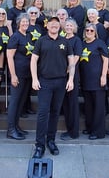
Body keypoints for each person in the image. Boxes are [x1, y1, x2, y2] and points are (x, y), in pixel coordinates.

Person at [30, 16, 75, 158]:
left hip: (61, 82)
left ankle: (51, 141)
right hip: (44, 82)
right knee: (43, 113)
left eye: (57, 24)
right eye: (52, 24)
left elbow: (71, 62)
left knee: (55, 112)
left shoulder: (65, 42)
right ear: (47, 26)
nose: (54, 26)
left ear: (59, 26)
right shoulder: (41, 41)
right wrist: (35, 78)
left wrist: (71, 79)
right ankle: (39, 145)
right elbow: (33, 61)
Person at [79, 23, 109, 140]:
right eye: (87, 30)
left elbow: (106, 60)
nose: (89, 32)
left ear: (95, 32)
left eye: (92, 31)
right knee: (89, 106)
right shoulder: (82, 44)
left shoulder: (100, 43)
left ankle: (98, 131)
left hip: (97, 80)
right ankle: (90, 127)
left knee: (99, 106)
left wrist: (103, 76)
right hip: (86, 80)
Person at [6, 13, 33, 140]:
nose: (25, 24)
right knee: (15, 102)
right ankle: (11, 129)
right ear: (18, 23)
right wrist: (13, 75)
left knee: (21, 102)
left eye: (27, 22)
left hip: (27, 74)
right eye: (23, 22)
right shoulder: (15, 37)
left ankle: (16, 126)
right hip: (18, 74)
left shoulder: (28, 36)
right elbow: (9, 57)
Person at [60, 18, 82, 140]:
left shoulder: (77, 40)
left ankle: (74, 132)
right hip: (61, 75)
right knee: (66, 103)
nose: (68, 27)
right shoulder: (62, 39)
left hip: (71, 74)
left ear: (74, 28)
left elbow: (76, 57)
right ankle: (68, 129)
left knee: (72, 103)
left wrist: (67, 70)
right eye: (66, 25)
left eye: (70, 26)